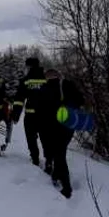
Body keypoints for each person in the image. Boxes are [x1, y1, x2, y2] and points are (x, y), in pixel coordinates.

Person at [41, 68, 85, 199]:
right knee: (59, 153)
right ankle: (56, 176)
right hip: (69, 125)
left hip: (55, 127)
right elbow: (81, 101)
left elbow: (44, 109)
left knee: (59, 155)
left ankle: (67, 188)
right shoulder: (68, 84)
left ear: (47, 77)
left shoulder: (47, 87)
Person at [11, 57, 50, 170]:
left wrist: (15, 115)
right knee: (46, 139)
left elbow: (19, 99)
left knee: (31, 139)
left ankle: (35, 159)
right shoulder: (46, 79)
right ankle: (48, 160)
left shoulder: (26, 80)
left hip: (31, 116)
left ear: (29, 66)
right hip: (45, 116)